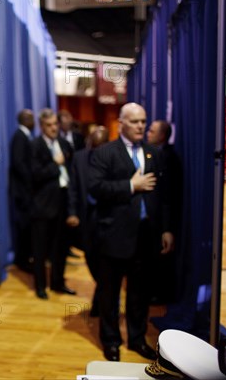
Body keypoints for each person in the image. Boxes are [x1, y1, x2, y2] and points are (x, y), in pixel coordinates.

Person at [88, 102, 174, 362]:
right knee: (110, 294)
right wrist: (130, 185)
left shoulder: (153, 153)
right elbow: (95, 188)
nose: (140, 126)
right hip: (113, 235)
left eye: (143, 121)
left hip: (145, 236)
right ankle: (111, 341)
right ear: (121, 123)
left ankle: (137, 339)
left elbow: (163, 194)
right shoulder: (105, 152)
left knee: (140, 293)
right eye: (135, 121)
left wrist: (167, 228)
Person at [30, 109, 76, 300]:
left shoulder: (65, 144)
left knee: (61, 248)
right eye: (49, 125)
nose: (53, 128)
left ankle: (58, 282)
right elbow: (35, 174)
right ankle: (41, 286)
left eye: (55, 124)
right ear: (42, 126)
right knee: (40, 251)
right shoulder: (35, 145)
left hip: (63, 202)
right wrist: (54, 164)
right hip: (43, 205)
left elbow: (72, 171)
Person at [66, 126, 110, 316]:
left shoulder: (113, 158)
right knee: (90, 257)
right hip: (86, 216)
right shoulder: (79, 158)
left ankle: (102, 301)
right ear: (89, 143)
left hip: (107, 217)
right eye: (95, 146)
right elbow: (73, 187)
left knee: (106, 260)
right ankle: (103, 294)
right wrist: (72, 212)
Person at [147, 120, 183, 304]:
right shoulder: (155, 153)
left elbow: (168, 193)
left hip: (164, 219)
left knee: (161, 259)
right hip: (157, 218)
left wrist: (167, 227)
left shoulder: (168, 157)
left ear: (162, 135)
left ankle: (160, 294)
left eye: (152, 131)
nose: (147, 133)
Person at [8, 109, 35, 273]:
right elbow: (19, 163)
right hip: (22, 191)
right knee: (23, 227)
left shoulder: (24, 135)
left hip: (24, 190)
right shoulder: (20, 136)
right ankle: (22, 260)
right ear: (26, 120)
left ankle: (24, 258)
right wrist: (31, 180)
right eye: (31, 118)